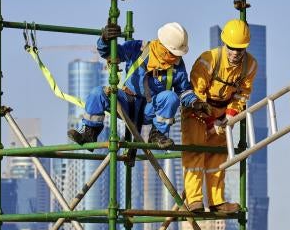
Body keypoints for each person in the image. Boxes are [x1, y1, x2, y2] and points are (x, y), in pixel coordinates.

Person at [67, 20, 201, 150]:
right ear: (162, 46)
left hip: (150, 110)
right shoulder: (139, 49)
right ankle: (90, 132)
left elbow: (183, 91)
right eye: (173, 54)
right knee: (98, 93)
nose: (176, 58)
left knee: (171, 97)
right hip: (127, 103)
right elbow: (110, 54)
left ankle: (157, 134)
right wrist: (105, 40)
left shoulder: (177, 65)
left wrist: (195, 102)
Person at [181, 19, 257, 212]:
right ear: (225, 43)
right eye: (231, 48)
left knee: (217, 156)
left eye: (239, 49)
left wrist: (229, 116)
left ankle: (216, 202)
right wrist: (209, 120)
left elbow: (242, 94)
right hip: (197, 111)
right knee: (195, 152)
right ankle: (194, 200)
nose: (235, 53)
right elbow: (196, 94)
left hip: (222, 114)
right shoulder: (209, 60)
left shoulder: (250, 65)